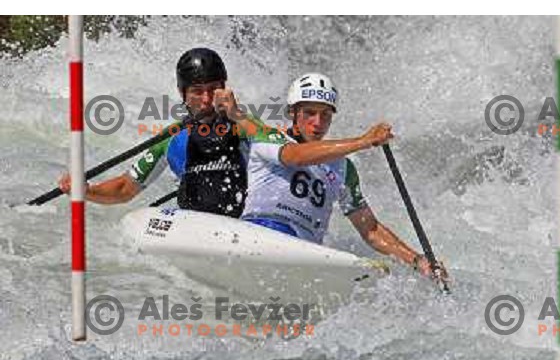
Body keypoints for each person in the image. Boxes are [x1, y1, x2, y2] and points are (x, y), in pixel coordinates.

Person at [240, 73, 448, 279]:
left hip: (304, 255)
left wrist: (417, 260)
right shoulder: (270, 137)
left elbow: (370, 229)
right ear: (293, 113)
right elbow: (296, 157)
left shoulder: (343, 168)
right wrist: (364, 141)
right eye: (309, 113)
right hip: (260, 235)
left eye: (326, 115)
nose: (317, 122)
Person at [58, 47, 254, 217]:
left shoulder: (246, 126)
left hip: (245, 226)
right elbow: (125, 188)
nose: (206, 99)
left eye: (213, 89)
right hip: (195, 227)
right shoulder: (172, 137)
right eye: (197, 91)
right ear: (183, 93)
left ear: (225, 89)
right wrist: (86, 191)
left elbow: (283, 153)